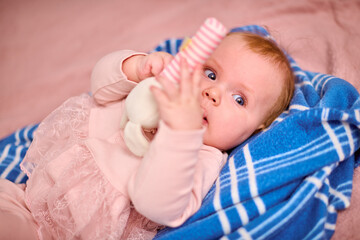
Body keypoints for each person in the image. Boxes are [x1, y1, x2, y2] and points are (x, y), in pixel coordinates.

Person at [0, 31, 294, 239]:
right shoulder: (159, 88)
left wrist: (180, 131)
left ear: (255, 131)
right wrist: (136, 67)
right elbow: (101, 90)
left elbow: (156, 203)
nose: (213, 92)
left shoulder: (202, 157)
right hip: (25, 195)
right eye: (211, 74)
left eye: (239, 99)